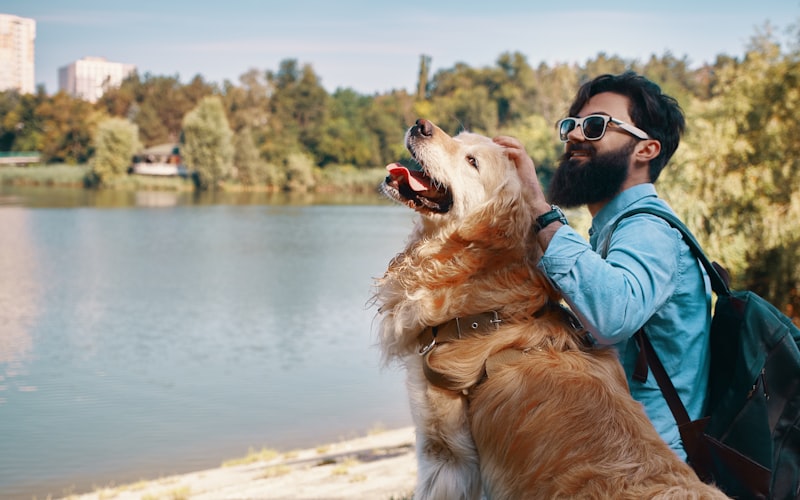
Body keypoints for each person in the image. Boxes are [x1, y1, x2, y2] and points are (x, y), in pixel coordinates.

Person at [494, 71, 712, 461]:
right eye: (572, 126)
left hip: (652, 467)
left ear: (645, 150)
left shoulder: (649, 229)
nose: (575, 136)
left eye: (596, 126)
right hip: (624, 456)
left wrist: (541, 211)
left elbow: (612, 315)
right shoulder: (614, 230)